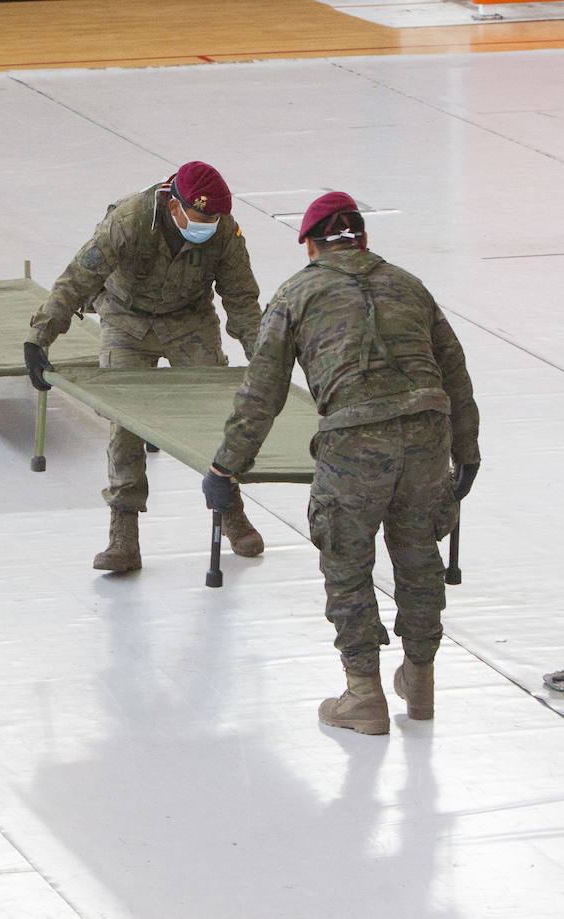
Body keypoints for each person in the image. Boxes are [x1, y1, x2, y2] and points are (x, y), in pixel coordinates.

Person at [203, 192, 480, 734]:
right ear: (363, 238)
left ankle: (363, 696)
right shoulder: (409, 285)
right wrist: (465, 451)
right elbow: (455, 373)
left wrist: (225, 467)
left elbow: (262, 392)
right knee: (419, 555)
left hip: (354, 440)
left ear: (309, 244)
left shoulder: (295, 294)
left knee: (348, 564)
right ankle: (419, 683)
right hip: (428, 434)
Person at [23, 161, 266, 572]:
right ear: (175, 206)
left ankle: (230, 510)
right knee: (125, 423)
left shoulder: (224, 231)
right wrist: (39, 336)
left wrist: (265, 359)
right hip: (126, 318)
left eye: (214, 219)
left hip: (188, 318)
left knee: (216, 414)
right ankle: (124, 535)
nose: (207, 225)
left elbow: (242, 303)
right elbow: (79, 276)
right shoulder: (131, 220)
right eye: (201, 217)